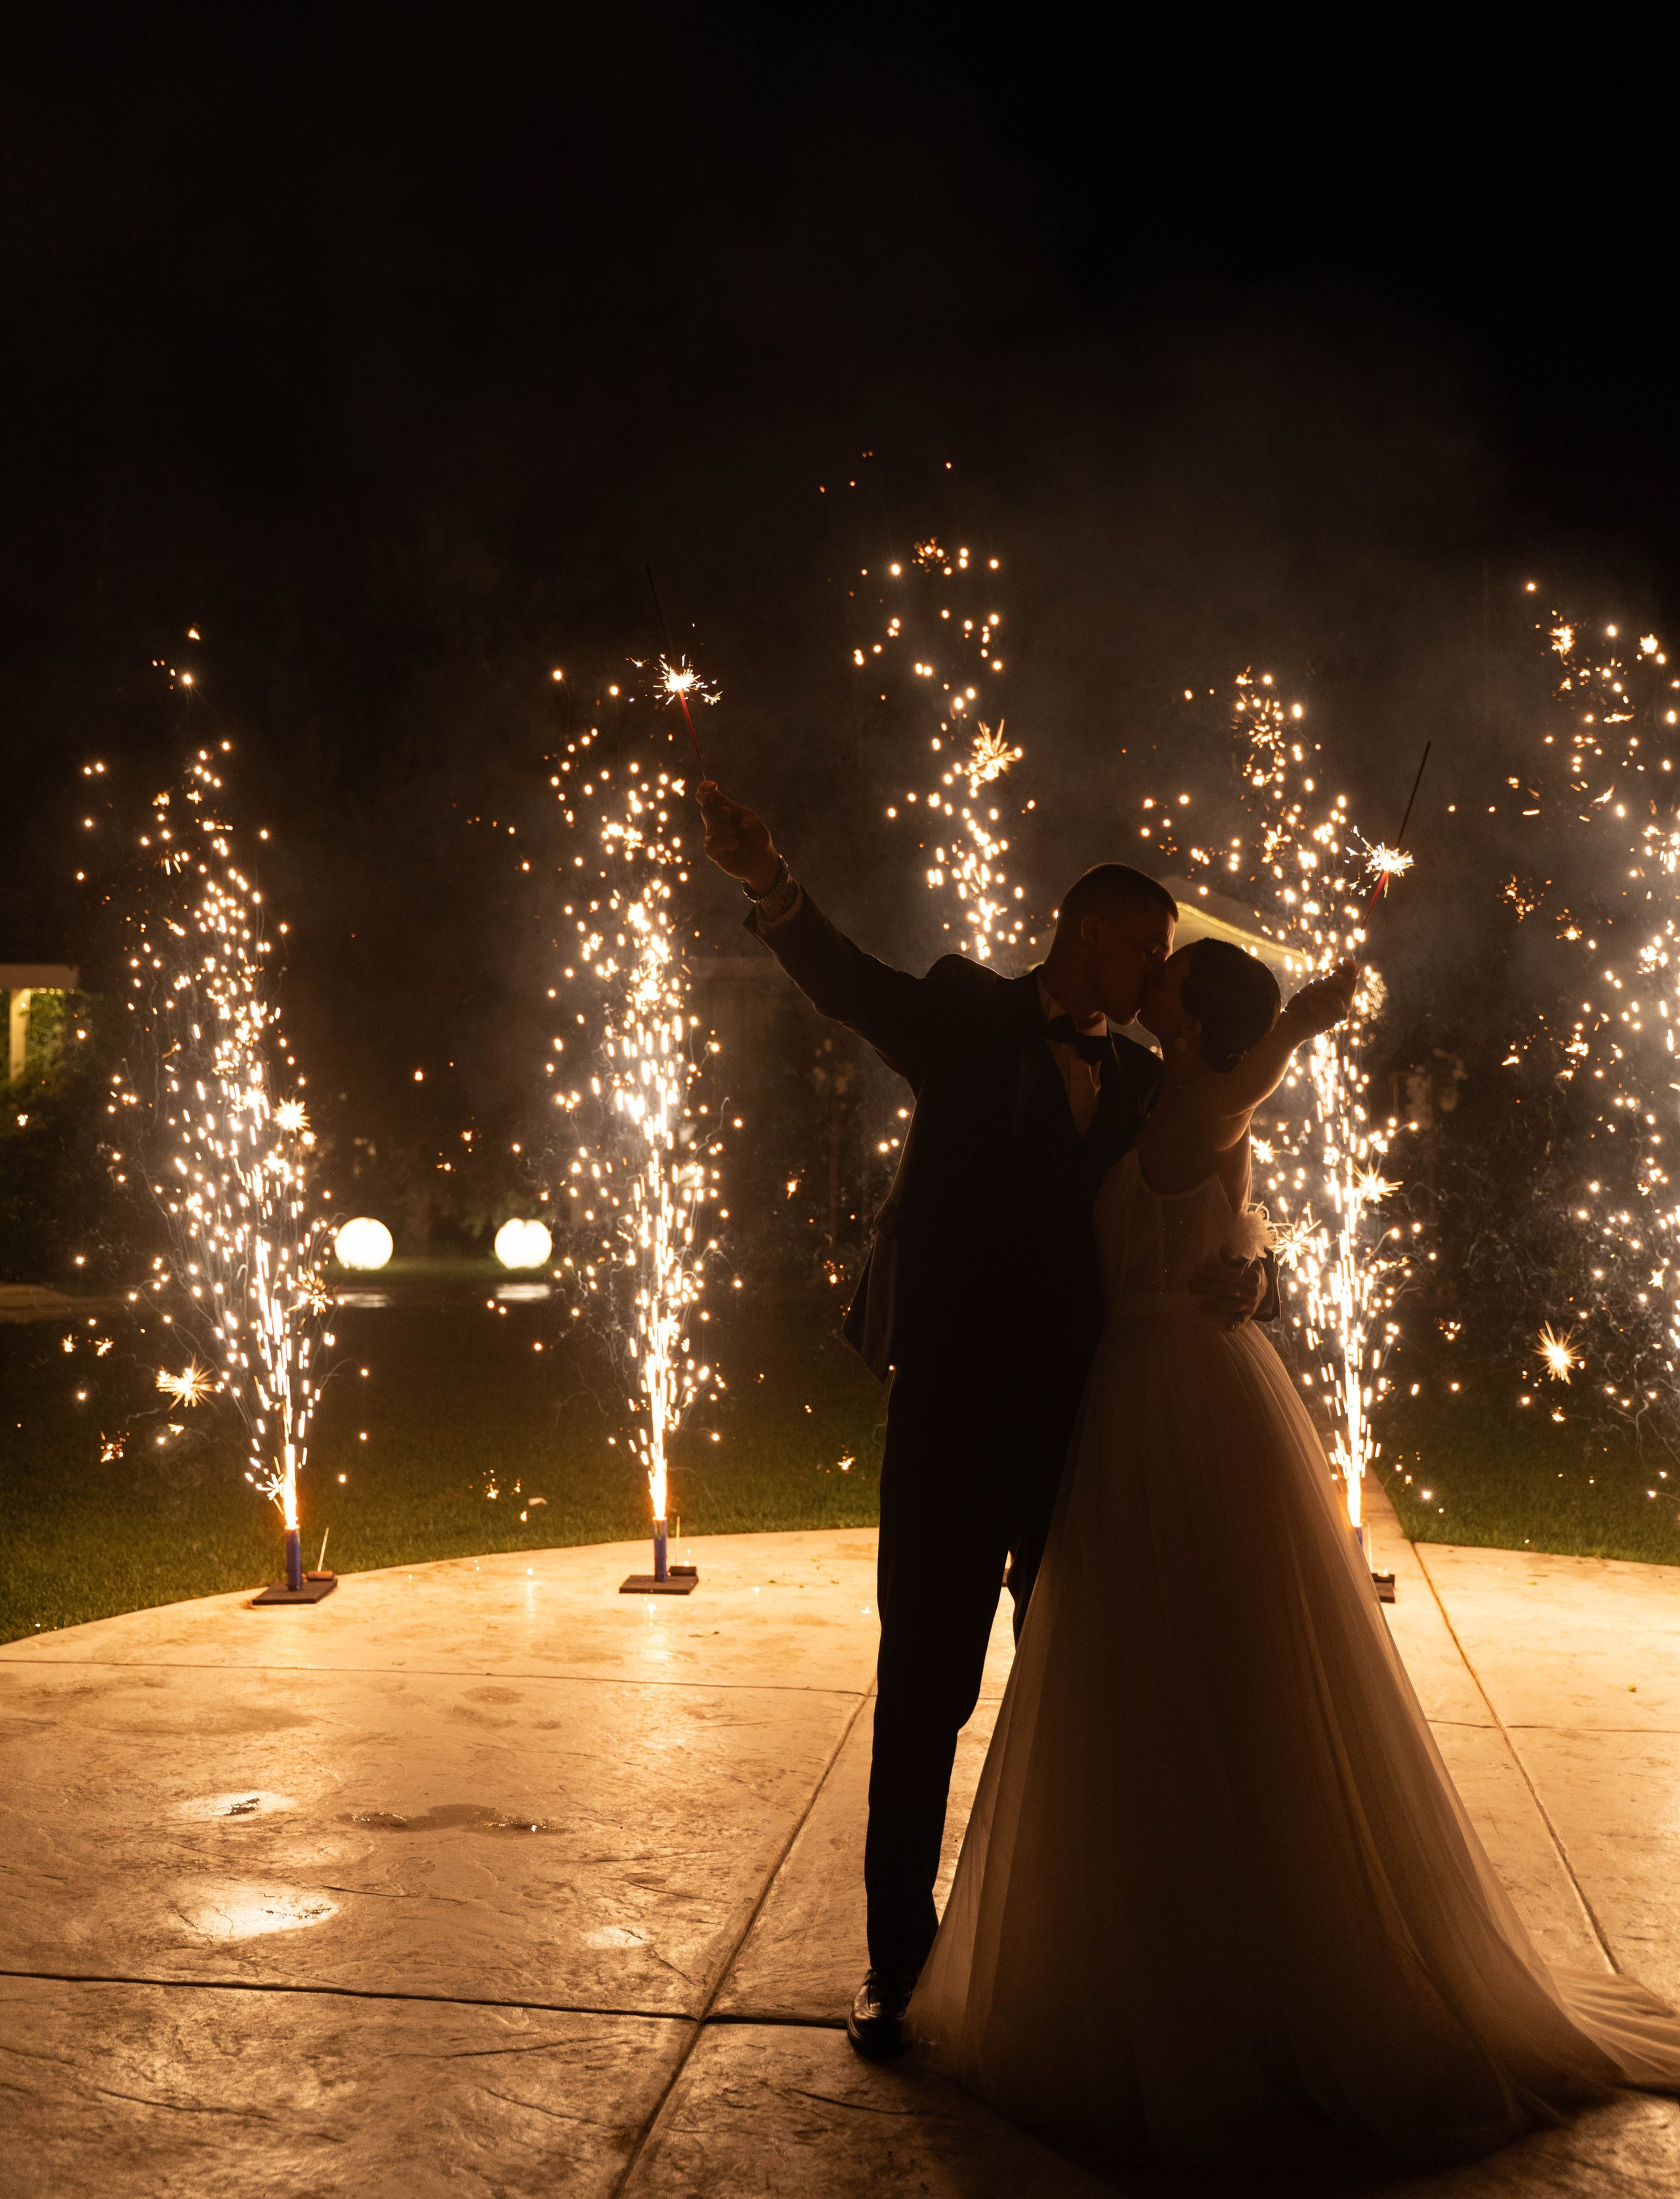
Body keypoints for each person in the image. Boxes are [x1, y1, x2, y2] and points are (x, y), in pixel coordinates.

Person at [908, 935, 1680, 2171]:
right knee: (1144, 1682)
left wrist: (1307, 1018)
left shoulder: (1216, 1090)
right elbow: (1217, 1210)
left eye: (1167, 974)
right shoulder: (1164, 1096)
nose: (1147, 976)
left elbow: (1238, 1105)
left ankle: (1247, 1985)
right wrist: (1253, 1261)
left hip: (1186, 1403)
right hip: (1134, 1397)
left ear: (1201, 1019)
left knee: (1225, 1666)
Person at [697, 779, 1274, 2057]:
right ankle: (896, 1968)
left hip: (1087, 1433)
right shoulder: (963, 1009)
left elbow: (1208, 1206)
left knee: (1085, 1692)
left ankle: (1080, 1954)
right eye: (1146, 940)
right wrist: (767, 879)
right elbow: (849, 983)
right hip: (953, 1420)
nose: (1158, 963)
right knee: (923, 1690)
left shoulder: (1142, 1078)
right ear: (1087, 933)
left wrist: (1254, 1273)